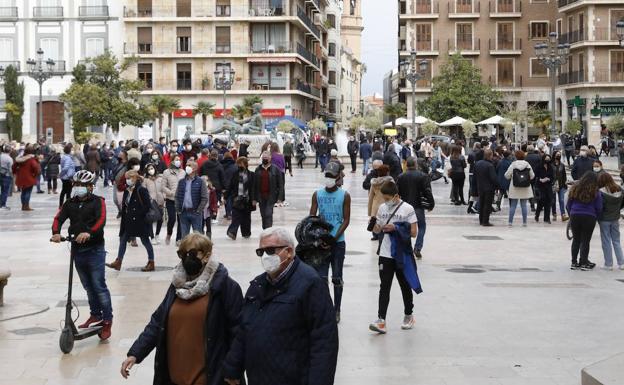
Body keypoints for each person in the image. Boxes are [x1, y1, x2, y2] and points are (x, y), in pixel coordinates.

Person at [121, 233, 244, 384]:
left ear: (207, 256)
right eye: (182, 254)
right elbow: (157, 322)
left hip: (210, 378)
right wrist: (135, 353)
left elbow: (239, 332)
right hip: (175, 377)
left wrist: (233, 370)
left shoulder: (225, 287)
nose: (187, 258)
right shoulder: (176, 286)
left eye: (192, 254)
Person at [222, 227, 339, 385]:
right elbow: (245, 329)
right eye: (261, 252)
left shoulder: (310, 284)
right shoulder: (257, 285)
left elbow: (324, 341)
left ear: (289, 252)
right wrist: (232, 367)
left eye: (270, 250)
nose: (265, 256)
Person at [51, 170, 112, 339]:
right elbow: (58, 218)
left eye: (83, 185)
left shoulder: (98, 202)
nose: (79, 188)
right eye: (76, 185)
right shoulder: (69, 203)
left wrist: (89, 233)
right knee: (88, 286)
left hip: (95, 249)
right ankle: (95, 314)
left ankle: (107, 320)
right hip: (77, 250)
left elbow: (101, 220)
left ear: (90, 187)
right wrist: (56, 232)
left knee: (99, 286)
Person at [369, 180, 422, 334]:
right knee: (384, 286)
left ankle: (408, 315)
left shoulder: (408, 209)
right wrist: (375, 226)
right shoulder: (382, 208)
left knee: (404, 285)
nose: (386, 202)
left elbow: (413, 232)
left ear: (396, 196)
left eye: (387, 199)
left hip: (401, 253)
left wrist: (396, 227)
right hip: (385, 253)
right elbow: (378, 230)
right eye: (384, 199)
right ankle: (381, 320)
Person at [310, 162, 351, 323]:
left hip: (338, 242)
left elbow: (346, 220)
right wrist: (318, 237)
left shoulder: (344, 195)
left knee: (337, 277)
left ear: (338, 177)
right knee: (321, 278)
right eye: (326, 175)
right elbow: (311, 218)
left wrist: (333, 238)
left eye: (331, 176)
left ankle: (337, 309)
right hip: (320, 243)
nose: (328, 179)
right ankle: (326, 307)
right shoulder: (317, 194)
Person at [106, 170, 155, 272]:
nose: (127, 180)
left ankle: (151, 262)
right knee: (123, 240)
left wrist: (138, 214)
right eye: (126, 178)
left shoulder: (141, 190)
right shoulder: (127, 190)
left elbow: (147, 206)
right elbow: (125, 206)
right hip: (128, 221)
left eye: (129, 178)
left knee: (145, 241)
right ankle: (118, 262)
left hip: (140, 221)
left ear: (135, 178)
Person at [397, 157, 435, 259]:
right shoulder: (423, 176)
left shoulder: (401, 177)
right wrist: (431, 204)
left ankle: (406, 247)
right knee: (421, 227)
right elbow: (427, 191)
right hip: (418, 206)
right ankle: (418, 247)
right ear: (416, 164)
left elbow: (397, 193)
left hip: (405, 207)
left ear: (406, 165)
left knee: (405, 227)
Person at [567, 171, 602, 270]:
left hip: (575, 215)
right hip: (589, 216)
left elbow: (569, 204)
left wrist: (571, 213)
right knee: (585, 240)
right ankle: (584, 262)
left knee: (576, 239)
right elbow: (599, 207)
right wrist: (597, 216)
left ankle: (574, 262)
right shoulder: (595, 191)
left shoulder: (575, 188)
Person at [597, 173, 624, 270]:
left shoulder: (600, 192)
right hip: (615, 218)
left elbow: (600, 207)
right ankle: (621, 263)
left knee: (606, 241)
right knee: (616, 241)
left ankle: (608, 264)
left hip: (604, 219)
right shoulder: (620, 189)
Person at [176, 161, 209, 238]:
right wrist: (178, 209)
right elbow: (177, 196)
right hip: (183, 212)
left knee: (197, 237)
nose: (187, 167)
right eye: (186, 165)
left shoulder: (200, 181)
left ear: (195, 168)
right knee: (184, 237)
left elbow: (205, 197)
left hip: (195, 213)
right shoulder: (181, 181)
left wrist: (199, 210)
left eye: (189, 165)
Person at [226, 157, 256, 240]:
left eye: (240, 163)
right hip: (237, 198)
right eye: (238, 164)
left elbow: (254, 188)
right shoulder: (235, 174)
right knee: (236, 216)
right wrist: (225, 196)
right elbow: (230, 186)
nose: (239, 165)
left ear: (245, 164)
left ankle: (246, 233)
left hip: (247, 199)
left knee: (246, 218)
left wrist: (254, 199)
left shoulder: (252, 175)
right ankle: (232, 232)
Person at [505, 150, 535, 226]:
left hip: (515, 187)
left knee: (513, 205)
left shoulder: (513, 164)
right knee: (524, 205)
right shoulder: (527, 164)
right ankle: (524, 222)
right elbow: (532, 176)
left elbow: (506, 175)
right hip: (525, 187)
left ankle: (510, 222)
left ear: (516, 156)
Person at [254, 151, 283, 229]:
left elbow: (280, 184)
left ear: (270, 158)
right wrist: (254, 198)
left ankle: (268, 231)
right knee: (263, 214)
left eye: (266, 158)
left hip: (271, 196)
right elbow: (254, 185)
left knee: (268, 213)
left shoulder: (275, 169)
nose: (265, 159)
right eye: (263, 158)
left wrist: (280, 197)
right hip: (261, 196)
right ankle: (265, 229)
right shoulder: (258, 169)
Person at [162, 154, 186, 245]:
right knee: (172, 218)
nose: (178, 161)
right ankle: (169, 233)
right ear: (172, 161)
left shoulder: (183, 172)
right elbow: (163, 186)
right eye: (176, 159)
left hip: (181, 199)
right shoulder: (166, 172)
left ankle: (179, 238)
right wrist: (170, 192)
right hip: (170, 199)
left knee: (181, 219)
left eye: (179, 160)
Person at [368, 165, 393, 241]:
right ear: (387, 172)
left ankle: (377, 237)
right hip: (387, 206)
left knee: (377, 226)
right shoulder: (390, 181)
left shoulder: (374, 183)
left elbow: (371, 197)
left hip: (376, 207)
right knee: (386, 226)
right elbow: (394, 194)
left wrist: (370, 212)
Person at [13, 145, 41, 211]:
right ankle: (26, 206)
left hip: (21, 178)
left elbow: (14, 166)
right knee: (28, 192)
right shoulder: (31, 159)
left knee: (23, 192)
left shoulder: (20, 159)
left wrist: (15, 172)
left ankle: (23, 205)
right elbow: (36, 168)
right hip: (29, 178)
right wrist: (35, 174)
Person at [474, 149, 497, 226]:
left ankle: (481, 220)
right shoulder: (490, 165)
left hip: (480, 187)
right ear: (490, 155)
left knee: (481, 203)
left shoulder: (477, 163)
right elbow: (493, 178)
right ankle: (485, 221)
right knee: (487, 205)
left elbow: (475, 176)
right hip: (489, 188)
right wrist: (497, 186)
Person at [143, 163, 165, 245]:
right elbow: (144, 191)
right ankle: (151, 236)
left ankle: (157, 235)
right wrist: (148, 199)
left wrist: (164, 196)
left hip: (160, 201)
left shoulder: (160, 178)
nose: (150, 170)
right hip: (151, 202)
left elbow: (163, 188)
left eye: (152, 168)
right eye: (149, 169)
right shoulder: (145, 180)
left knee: (160, 219)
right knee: (150, 219)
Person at [535, 153, 554, 224]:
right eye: (546, 159)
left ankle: (547, 218)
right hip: (540, 187)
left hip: (548, 187)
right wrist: (540, 179)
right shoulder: (538, 167)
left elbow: (552, 177)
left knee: (548, 203)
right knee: (541, 201)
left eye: (549, 159)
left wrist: (548, 179)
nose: (547, 161)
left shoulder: (550, 167)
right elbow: (535, 176)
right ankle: (537, 215)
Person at [552, 151, 568, 221]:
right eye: (557, 155)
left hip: (561, 184)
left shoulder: (562, 165)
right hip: (553, 184)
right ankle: (554, 214)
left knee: (561, 200)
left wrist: (565, 185)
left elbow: (564, 175)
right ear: (554, 155)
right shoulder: (551, 164)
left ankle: (563, 215)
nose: (558, 156)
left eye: (559, 155)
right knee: (553, 200)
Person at [221, 152, 237, 220]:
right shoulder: (235, 166)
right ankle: (231, 213)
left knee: (226, 199)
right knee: (231, 199)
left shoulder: (221, 165)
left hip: (224, 185)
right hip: (233, 185)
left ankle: (228, 213)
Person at [0, 144, 14, 210]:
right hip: (6, 176)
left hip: (1, 174)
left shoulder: (0, 156)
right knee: (5, 191)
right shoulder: (9, 159)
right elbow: (11, 169)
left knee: (2, 190)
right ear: (10, 151)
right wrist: (12, 176)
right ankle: (3, 205)